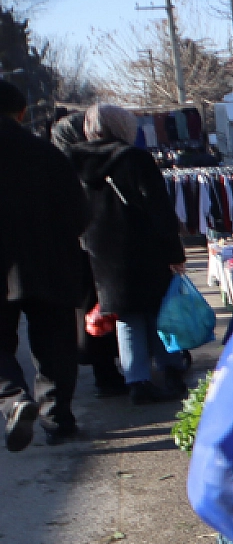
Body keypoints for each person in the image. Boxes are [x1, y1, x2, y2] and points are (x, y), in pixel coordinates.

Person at [71, 103, 189, 405]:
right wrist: (174, 251)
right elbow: (158, 208)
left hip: (101, 253)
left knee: (125, 315)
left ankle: (136, 381)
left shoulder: (73, 160)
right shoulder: (134, 158)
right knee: (159, 311)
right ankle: (170, 370)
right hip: (143, 247)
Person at [0, 82, 91, 450]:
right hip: (51, 262)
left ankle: (12, 397)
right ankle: (57, 417)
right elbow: (79, 212)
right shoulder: (49, 155)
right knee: (55, 343)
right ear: (21, 113)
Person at [50, 114, 127, 398]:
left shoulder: (57, 167)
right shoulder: (101, 162)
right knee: (106, 308)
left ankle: (103, 371)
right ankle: (113, 370)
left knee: (88, 312)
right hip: (100, 247)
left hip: (72, 252)